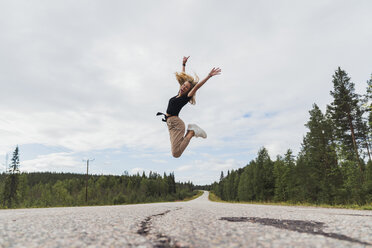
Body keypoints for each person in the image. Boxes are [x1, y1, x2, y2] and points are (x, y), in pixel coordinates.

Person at [157, 56, 221, 158]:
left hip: (176, 124)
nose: (183, 87)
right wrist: (183, 64)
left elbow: (197, 86)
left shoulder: (186, 96)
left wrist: (209, 76)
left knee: (176, 154)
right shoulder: (178, 93)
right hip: (170, 124)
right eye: (183, 85)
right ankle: (191, 132)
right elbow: (183, 77)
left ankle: (191, 132)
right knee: (175, 152)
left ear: (188, 91)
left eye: (186, 87)